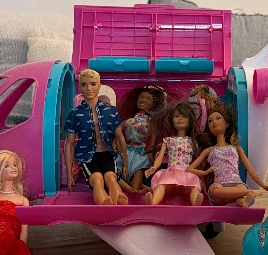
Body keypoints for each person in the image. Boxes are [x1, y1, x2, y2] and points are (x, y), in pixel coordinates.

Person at [187, 104, 268, 207]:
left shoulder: (236, 148)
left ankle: (244, 201)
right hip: (220, 186)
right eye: (210, 121)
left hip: (236, 183)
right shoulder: (209, 150)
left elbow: (250, 169)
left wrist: (264, 186)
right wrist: (205, 174)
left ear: (226, 123)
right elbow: (190, 169)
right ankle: (249, 192)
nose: (214, 122)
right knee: (215, 191)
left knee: (240, 191)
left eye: (218, 118)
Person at [64, 69, 130, 205]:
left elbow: (119, 138)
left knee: (111, 177)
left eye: (93, 84)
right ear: (80, 86)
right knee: (97, 179)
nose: (89, 88)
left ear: (99, 85)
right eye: (84, 85)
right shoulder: (75, 114)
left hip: (108, 154)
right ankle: (105, 203)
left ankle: (119, 202)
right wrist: (69, 173)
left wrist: (125, 163)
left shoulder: (111, 111)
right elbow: (69, 144)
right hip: (87, 156)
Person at [144, 102, 204, 206]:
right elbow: (160, 157)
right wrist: (154, 167)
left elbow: (197, 162)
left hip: (186, 174)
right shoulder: (168, 140)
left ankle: (196, 202)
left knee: (195, 185)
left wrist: (203, 181)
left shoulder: (193, 141)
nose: (180, 119)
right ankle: (153, 202)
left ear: (190, 120)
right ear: (172, 120)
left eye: (184, 116)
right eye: (176, 116)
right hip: (171, 173)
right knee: (162, 185)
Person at [116, 85, 169, 192]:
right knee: (116, 172)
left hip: (141, 153)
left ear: (152, 104)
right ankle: (138, 188)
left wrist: (150, 155)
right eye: (141, 97)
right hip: (125, 151)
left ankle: (137, 188)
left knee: (138, 173)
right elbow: (117, 137)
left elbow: (153, 142)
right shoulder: (127, 121)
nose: (143, 100)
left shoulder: (151, 123)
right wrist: (114, 149)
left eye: (148, 99)